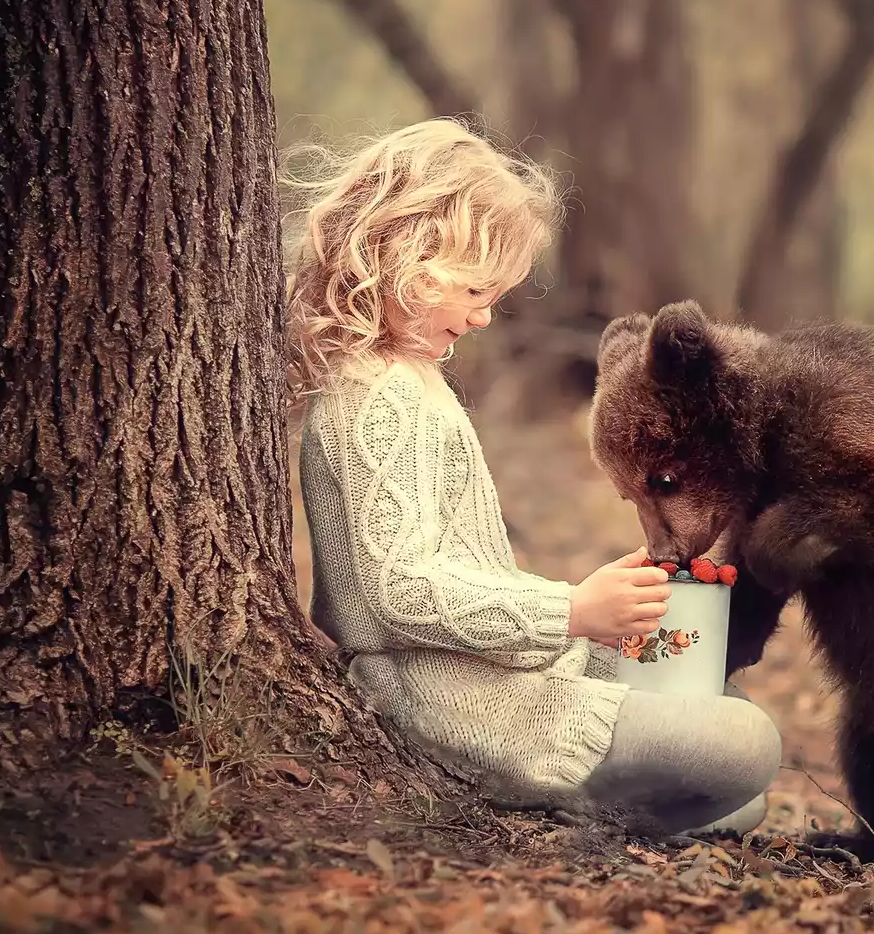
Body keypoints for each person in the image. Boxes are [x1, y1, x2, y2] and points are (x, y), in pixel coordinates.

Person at [283, 118, 778, 837]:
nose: (485, 316)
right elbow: (401, 591)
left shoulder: (405, 379)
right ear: (412, 259)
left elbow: (456, 569)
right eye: (478, 291)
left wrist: (603, 611)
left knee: (719, 709)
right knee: (744, 744)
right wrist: (572, 610)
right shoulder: (376, 395)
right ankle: (563, 801)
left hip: (482, 673)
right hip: (447, 701)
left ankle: (658, 795)